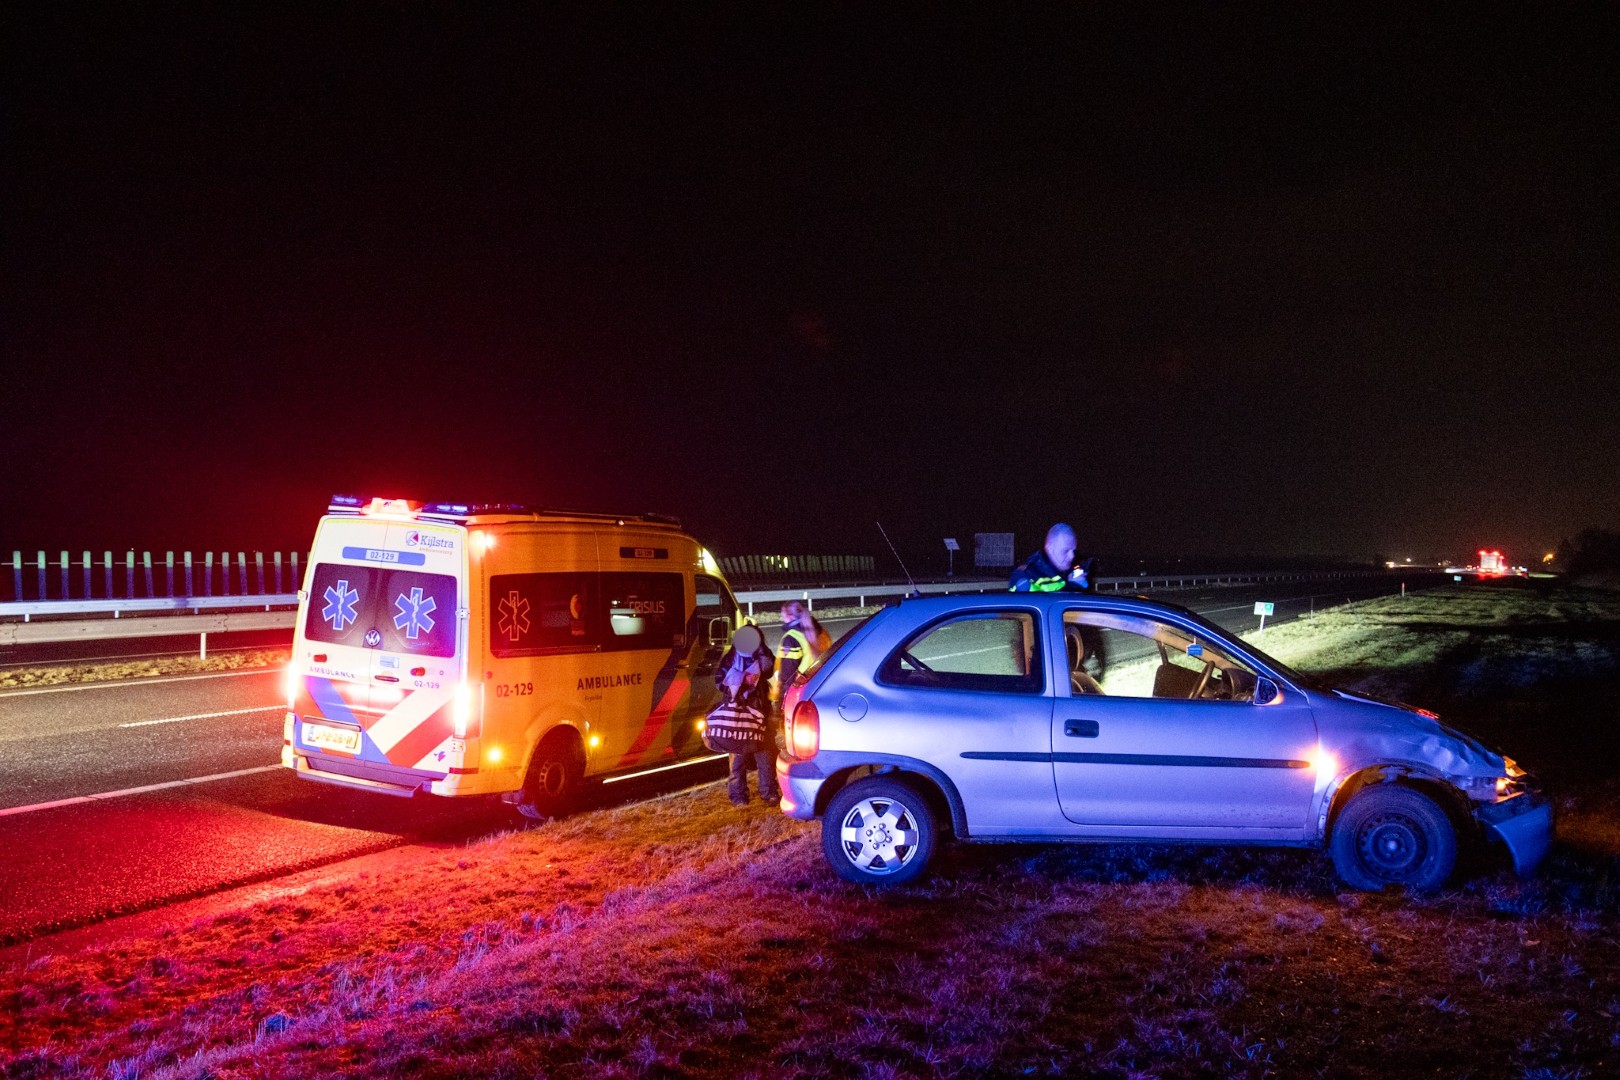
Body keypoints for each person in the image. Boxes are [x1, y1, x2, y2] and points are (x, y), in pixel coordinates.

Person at [703, 624, 779, 806]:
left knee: (765, 754)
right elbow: (719, 682)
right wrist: (740, 679)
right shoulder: (730, 658)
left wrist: (761, 649)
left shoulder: (761, 655)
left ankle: (768, 793)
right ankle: (738, 796)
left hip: (760, 710)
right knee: (737, 756)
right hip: (736, 712)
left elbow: (769, 670)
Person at [1009, 522, 1095, 592]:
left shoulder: (1069, 569)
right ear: (1050, 548)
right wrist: (1072, 587)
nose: (1071, 556)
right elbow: (1036, 607)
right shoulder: (1027, 575)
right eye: (1065, 551)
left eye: (1073, 551)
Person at [776, 600, 832, 700]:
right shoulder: (823, 633)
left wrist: (782, 698)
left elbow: (788, 675)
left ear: (790, 617)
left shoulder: (791, 638)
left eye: (783, 616)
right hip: (822, 685)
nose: (783, 619)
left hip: (800, 692)